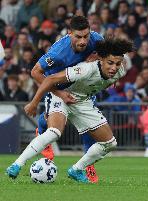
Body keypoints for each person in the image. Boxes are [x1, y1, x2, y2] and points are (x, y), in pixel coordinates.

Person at [6, 37, 135, 183]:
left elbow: (106, 80)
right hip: (62, 96)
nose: (114, 68)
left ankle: (76, 169)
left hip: (83, 102)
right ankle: (17, 164)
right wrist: (34, 102)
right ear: (101, 59)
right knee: (54, 132)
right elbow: (50, 80)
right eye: (110, 63)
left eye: (117, 64)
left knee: (110, 143)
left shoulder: (120, 72)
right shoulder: (85, 69)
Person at [28, 15, 103, 182]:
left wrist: (99, 59)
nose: (83, 41)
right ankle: (41, 131)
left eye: (86, 36)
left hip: (82, 88)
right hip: (57, 86)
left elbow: (107, 57)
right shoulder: (58, 52)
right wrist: (59, 93)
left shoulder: (97, 39)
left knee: (89, 127)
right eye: (78, 37)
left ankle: (88, 165)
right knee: (51, 123)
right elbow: (35, 72)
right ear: (70, 34)